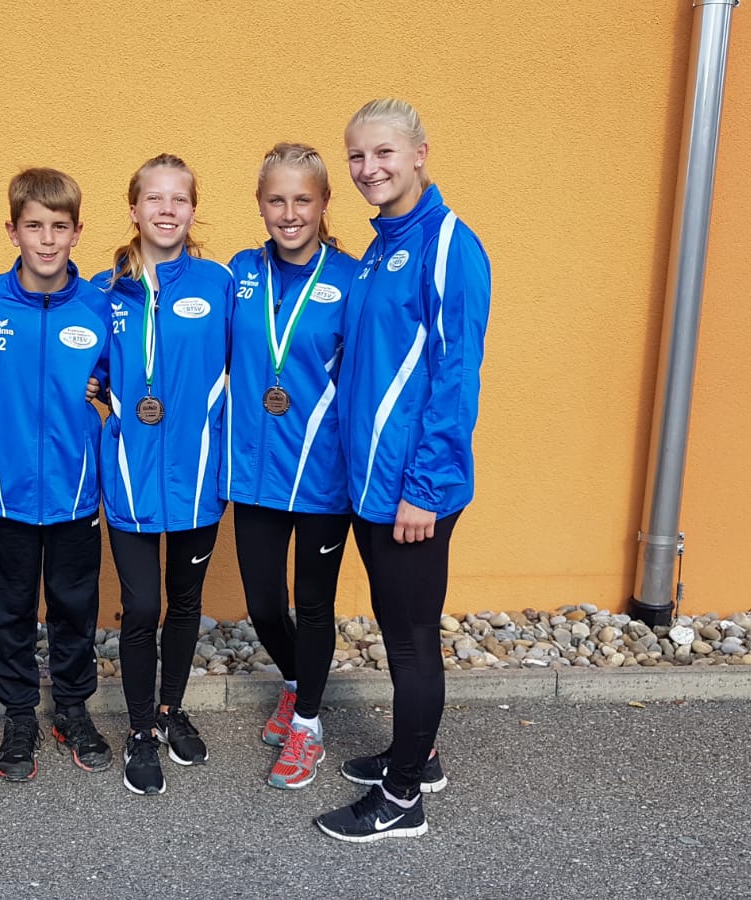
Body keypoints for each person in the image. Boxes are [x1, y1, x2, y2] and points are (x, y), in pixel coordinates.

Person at [313, 99, 491, 843]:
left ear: (420, 153)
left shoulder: (447, 243)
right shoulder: (381, 247)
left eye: (383, 153)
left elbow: (456, 375)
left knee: (414, 639)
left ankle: (402, 799)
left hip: (412, 489)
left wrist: (424, 487)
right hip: (371, 484)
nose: (368, 168)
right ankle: (418, 754)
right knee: (396, 630)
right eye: (356, 156)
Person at [94, 154, 235, 795]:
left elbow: (254, 360)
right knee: (142, 606)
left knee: (184, 602)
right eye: (154, 198)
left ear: (193, 210)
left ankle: (171, 709)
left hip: (198, 475)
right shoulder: (104, 290)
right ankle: (139, 729)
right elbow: (79, 365)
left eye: (179, 198)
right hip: (129, 474)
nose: (167, 209)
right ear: (134, 208)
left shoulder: (219, 283)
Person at [224, 143, 359, 790]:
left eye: (302, 199)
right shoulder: (240, 272)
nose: (289, 212)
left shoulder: (352, 281)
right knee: (262, 602)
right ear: (260, 204)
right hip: (254, 471)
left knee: (313, 603)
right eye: (276, 199)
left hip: (323, 473)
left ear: (324, 202)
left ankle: (307, 724)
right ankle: (297, 680)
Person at [0, 167, 112, 781]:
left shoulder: (100, 307)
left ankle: (73, 709)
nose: (47, 239)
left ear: (77, 232)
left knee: (74, 606)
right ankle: (19, 714)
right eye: (34, 226)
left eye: (59, 227)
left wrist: (102, 384)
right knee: (10, 609)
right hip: (5, 493)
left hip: (75, 491)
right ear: (13, 231)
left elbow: (129, 374)